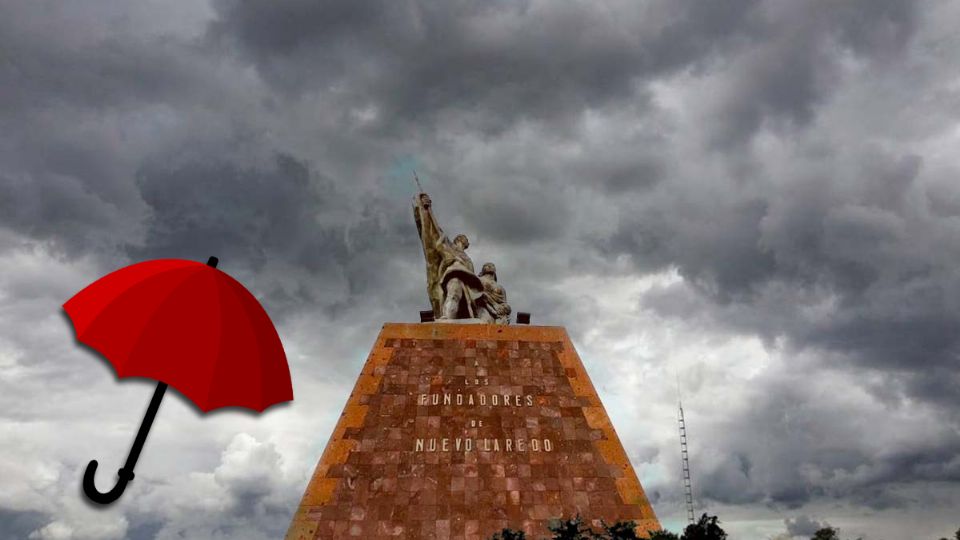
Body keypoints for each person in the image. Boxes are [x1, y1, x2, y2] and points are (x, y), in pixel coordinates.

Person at [412, 192, 483, 320]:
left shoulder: (467, 258)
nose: (468, 242)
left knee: (461, 298)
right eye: (466, 239)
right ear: (460, 239)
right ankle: (447, 318)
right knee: (453, 292)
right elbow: (434, 232)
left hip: (467, 282)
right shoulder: (449, 245)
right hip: (453, 274)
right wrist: (427, 209)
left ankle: (453, 317)